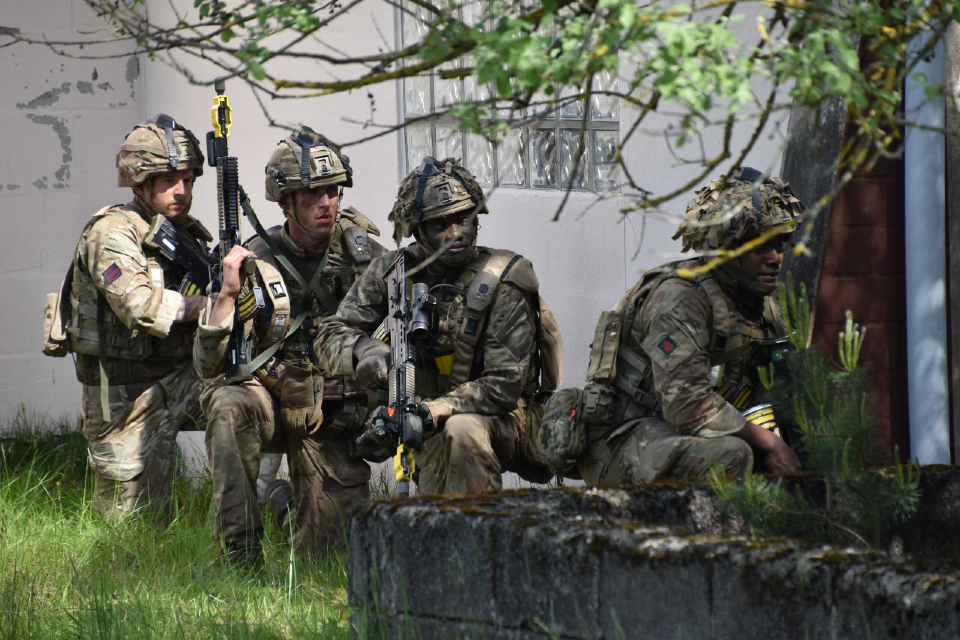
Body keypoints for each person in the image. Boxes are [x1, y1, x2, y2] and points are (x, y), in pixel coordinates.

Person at [194, 128, 384, 564]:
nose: (326, 204)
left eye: (333, 192)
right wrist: (225, 295)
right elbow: (206, 366)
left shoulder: (365, 256)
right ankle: (239, 553)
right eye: (311, 195)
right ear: (285, 203)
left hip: (332, 411)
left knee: (330, 557)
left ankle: (283, 503)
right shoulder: (254, 257)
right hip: (272, 402)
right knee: (227, 404)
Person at [314, 157, 550, 495]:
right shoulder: (393, 272)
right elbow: (330, 334)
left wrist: (432, 410)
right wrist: (365, 352)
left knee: (461, 429)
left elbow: (503, 386)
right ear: (418, 230)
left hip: (505, 418)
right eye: (441, 224)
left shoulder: (504, 279)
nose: (456, 233)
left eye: (463, 219)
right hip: (424, 413)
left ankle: (482, 536)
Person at [577, 168, 803, 485]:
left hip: (684, 433)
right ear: (729, 246)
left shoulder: (762, 303)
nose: (776, 258)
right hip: (625, 437)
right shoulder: (680, 298)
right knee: (734, 454)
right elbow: (687, 405)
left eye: (781, 245)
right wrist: (768, 442)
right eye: (760, 246)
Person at [65, 115, 210, 517]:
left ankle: (262, 507)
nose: (182, 191)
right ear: (140, 183)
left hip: (182, 375)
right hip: (125, 395)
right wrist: (213, 307)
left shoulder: (183, 234)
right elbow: (140, 306)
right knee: (132, 526)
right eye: (169, 181)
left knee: (250, 399)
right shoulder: (112, 231)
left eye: (188, 179)